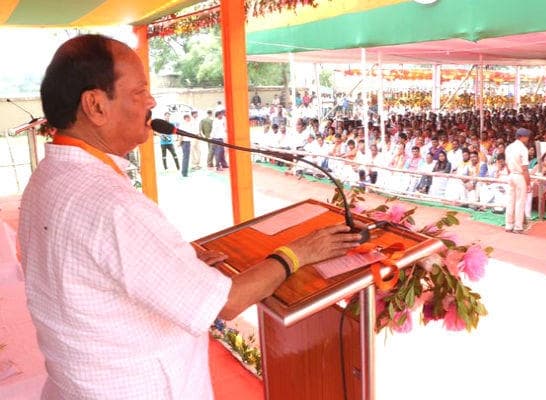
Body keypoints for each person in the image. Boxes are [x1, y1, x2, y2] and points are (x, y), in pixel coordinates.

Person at [19, 34, 362, 399]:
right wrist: (299, 253)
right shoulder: (114, 206)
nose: (151, 102)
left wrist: (178, 267)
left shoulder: (47, 179)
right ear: (96, 106)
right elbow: (227, 302)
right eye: (139, 92)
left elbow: (100, 269)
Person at [504, 128, 531, 233]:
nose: (528, 138)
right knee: (520, 201)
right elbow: (525, 168)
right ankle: (518, 226)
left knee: (510, 200)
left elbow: (506, 164)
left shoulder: (509, 147)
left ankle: (509, 225)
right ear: (522, 137)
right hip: (519, 175)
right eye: (527, 136)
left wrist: (510, 174)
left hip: (511, 174)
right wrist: (528, 183)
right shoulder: (523, 149)